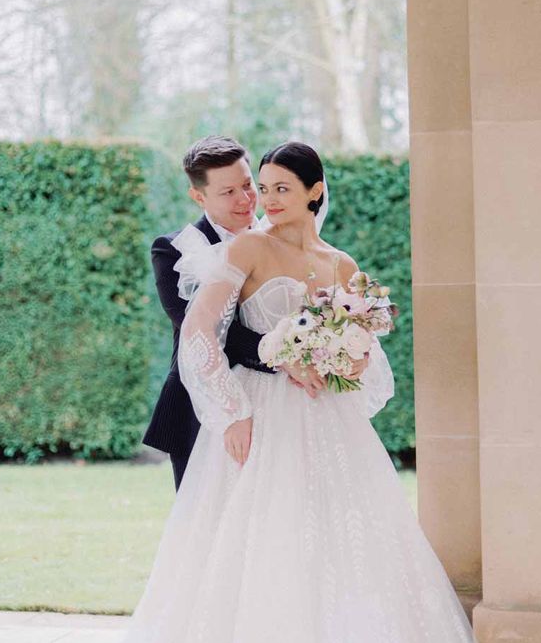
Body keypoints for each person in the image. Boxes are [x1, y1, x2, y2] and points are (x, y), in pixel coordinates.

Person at [124, 142, 476, 642]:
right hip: (258, 411)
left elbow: (366, 353)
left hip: (324, 416)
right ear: (201, 196)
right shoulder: (246, 248)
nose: (262, 199)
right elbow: (199, 330)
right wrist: (233, 410)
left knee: (337, 539)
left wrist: (344, 359)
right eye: (260, 188)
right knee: (247, 539)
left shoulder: (342, 263)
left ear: (316, 192)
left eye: (274, 188)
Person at [143, 136, 327, 490]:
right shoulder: (174, 251)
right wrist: (281, 355)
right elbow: (202, 329)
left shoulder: (290, 236)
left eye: (248, 185)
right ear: (199, 196)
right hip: (204, 404)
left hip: (285, 402)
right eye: (229, 192)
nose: (246, 200)